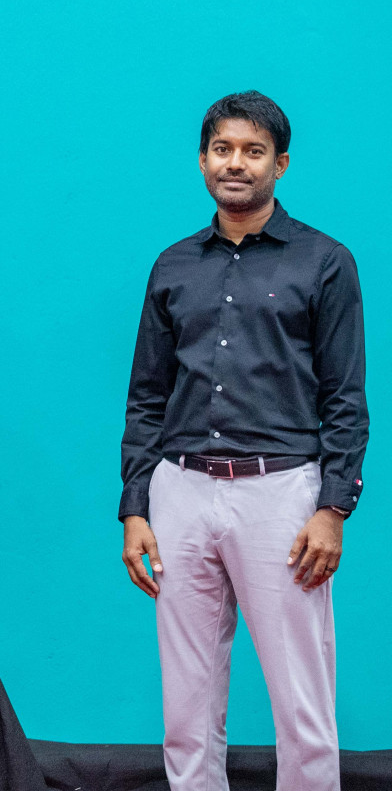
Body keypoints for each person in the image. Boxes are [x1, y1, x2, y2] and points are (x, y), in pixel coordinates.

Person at [118, 92, 366, 791]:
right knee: (186, 706)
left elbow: (346, 396)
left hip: (283, 493)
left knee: (302, 701)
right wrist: (136, 505)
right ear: (203, 160)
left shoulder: (325, 262)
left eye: (253, 151)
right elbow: (146, 396)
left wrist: (333, 507)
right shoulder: (172, 265)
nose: (236, 163)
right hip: (181, 491)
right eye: (223, 149)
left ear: (280, 165)